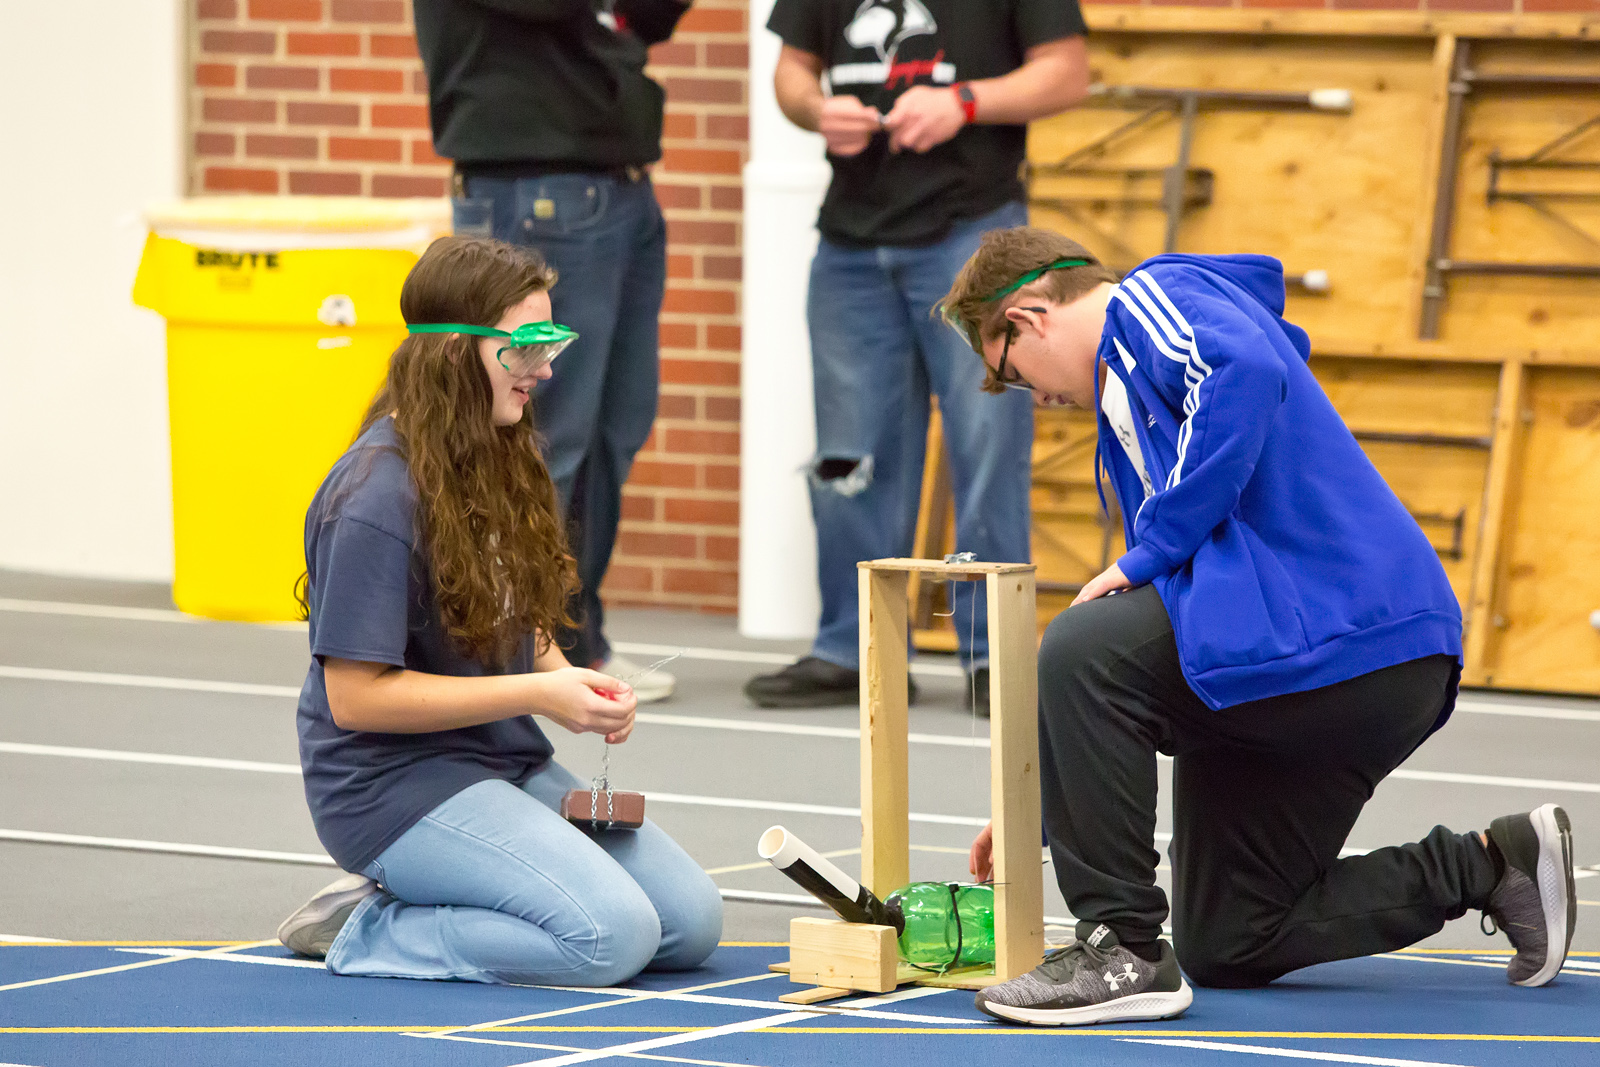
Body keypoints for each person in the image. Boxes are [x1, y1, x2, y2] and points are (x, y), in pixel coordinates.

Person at [944, 227, 1577, 1025]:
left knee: (1079, 645)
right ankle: (1490, 863)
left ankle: (1121, 949)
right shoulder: (1136, 405)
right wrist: (1052, 790)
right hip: (1280, 663)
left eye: (1010, 374)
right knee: (1231, 938)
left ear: (1029, 318)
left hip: (1343, 637)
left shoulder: (1154, 299)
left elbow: (1242, 368)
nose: (1036, 398)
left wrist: (1154, 551)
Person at [275, 236, 722, 986]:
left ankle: (445, 893)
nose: (544, 371)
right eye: (525, 349)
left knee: (689, 922)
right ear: (455, 352)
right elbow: (355, 697)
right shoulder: (375, 498)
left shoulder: (497, 452)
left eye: (551, 343)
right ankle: (369, 926)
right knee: (609, 936)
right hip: (392, 787)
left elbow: (515, 610)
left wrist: (567, 676)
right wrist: (536, 693)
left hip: (495, 759)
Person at [742, 0, 1091, 715]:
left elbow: (1067, 74)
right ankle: (856, 648)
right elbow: (791, 72)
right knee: (848, 455)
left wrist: (964, 101)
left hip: (972, 234)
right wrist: (817, 110)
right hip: (848, 242)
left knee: (987, 445)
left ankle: (993, 654)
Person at [412, 0, 697, 702]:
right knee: (539, 432)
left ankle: (571, 637)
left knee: (611, 430)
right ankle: (507, 650)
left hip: (615, 179)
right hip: (534, 183)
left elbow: (652, 17)